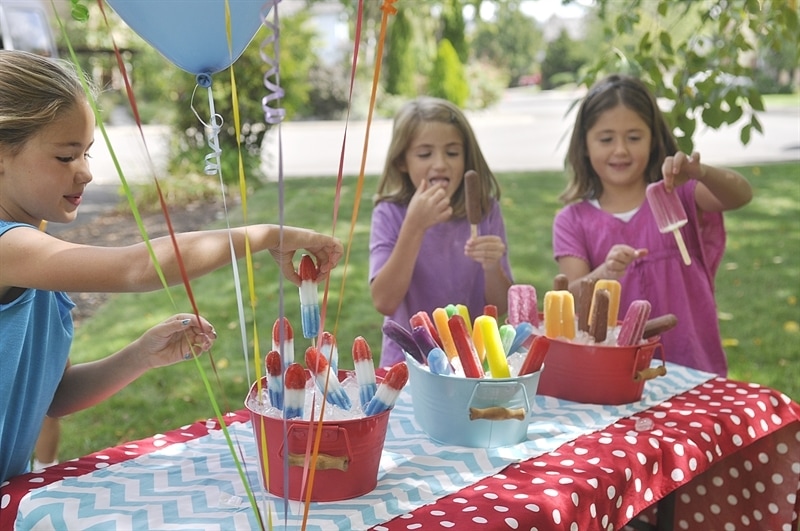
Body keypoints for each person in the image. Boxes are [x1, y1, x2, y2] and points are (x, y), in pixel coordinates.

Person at [0, 50, 343, 483]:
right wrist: (263, 235)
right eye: (66, 157)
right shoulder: (9, 249)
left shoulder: (36, 258)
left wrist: (139, 356)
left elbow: (53, 397)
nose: (85, 172)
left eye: (87, 153)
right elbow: (137, 267)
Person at [553, 73, 753, 376]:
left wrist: (702, 173)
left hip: (692, 365)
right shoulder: (573, 220)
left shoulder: (680, 194)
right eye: (606, 139)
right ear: (584, 145)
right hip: (617, 372)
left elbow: (741, 195)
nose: (620, 150)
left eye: (634, 137)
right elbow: (571, 297)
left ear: (652, 139)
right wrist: (605, 273)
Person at [369, 97, 513, 367]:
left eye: (452, 152)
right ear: (402, 161)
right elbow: (384, 301)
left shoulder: (484, 210)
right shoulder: (390, 213)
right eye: (425, 154)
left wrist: (493, 267)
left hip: (473, 362)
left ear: (466, 157)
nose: (441, 164)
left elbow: (502, 305)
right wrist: (414, 226)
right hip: (408, 364)